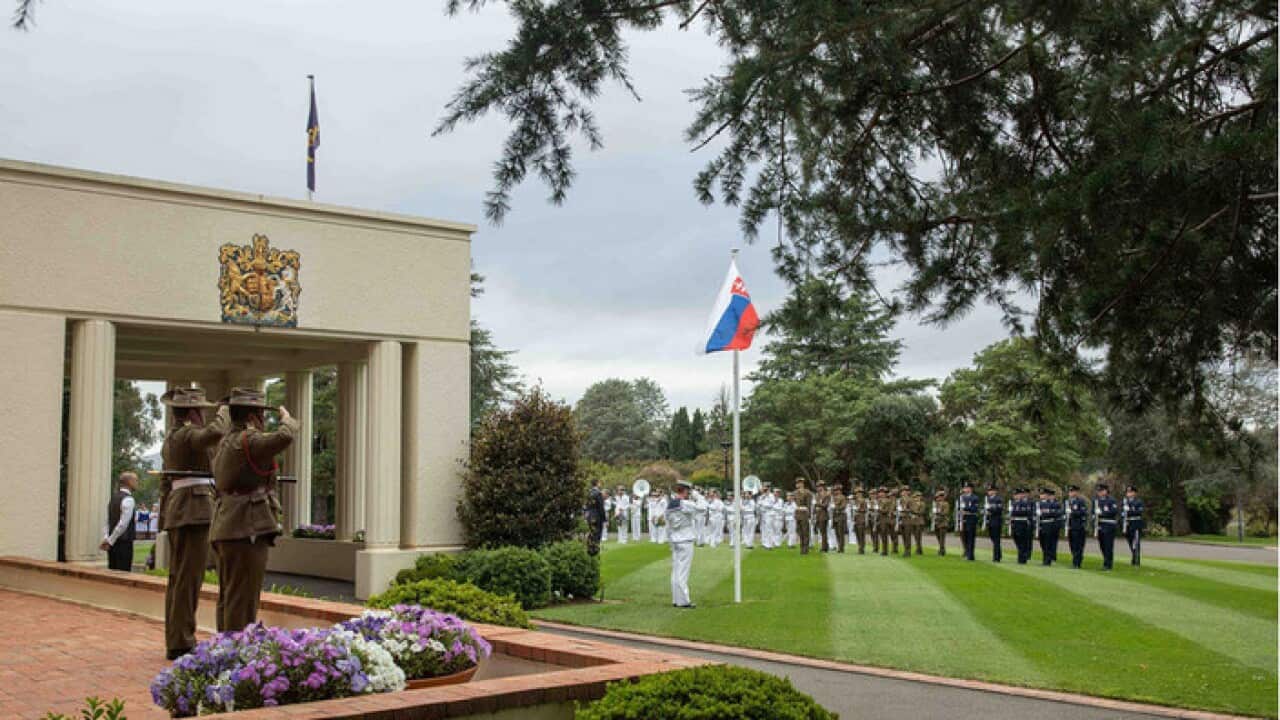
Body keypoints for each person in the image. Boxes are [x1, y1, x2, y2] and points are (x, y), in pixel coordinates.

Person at [210, 387, 297, 633]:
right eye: (260, 414)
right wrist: (287, 419)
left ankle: (223, 650)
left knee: (230, 596)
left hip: (228, 524)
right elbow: (284, 437)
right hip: (246, 527)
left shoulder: (227, 441)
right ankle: (237, 657)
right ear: (252, 416)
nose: (262, 420)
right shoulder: (249, 439)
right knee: (244, 598)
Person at [159, 387, 227, 660]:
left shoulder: (173, 437)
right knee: (188, 578)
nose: (203, 414)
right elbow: (214, 433)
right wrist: (224, 412)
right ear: (190, 413)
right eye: (200, 410)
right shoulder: (187, 434)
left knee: (179, 579)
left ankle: (177, 636)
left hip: (182, 508)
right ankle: (181, 641)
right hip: (193, 508)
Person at [665, 480, 698, 609]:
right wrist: (697, 496)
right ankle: (683, 600)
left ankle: (676, 599)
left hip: (675, 539)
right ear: (685, 491)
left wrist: (670, 540)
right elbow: (702, 507)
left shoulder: (669, 505)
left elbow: (668, 526)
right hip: (685, 539)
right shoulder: (685, 504)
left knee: (676, 570)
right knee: (683, 571)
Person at [100, 471, 138, 572]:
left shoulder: (113, 498)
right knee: (123, 573)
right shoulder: (128, 499)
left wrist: (107, 538)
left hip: (112, 543)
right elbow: (123, 524)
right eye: (136, 480)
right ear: (129, 482)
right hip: (123, 543)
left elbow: (108, 521)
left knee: (112, 571)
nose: (137, 483)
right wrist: (110, 540)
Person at [1094, 483, 1119, 570]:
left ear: (1106, 491)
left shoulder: (1111, 500)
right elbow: (1093, 513)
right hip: (1100, 525)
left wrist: (1102, 513)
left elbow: (1114, 512)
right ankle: (1106, 561)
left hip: (1109, 525)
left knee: (1108, 545)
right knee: (1102, 545)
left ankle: (1108, 564)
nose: (1099, 493)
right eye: (1098, 491)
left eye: (1101, 491)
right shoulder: (1097, 501)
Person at [1065, 484, 1089, 569]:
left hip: (1078, 526)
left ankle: (1077, 563)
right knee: (1072, 545)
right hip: (1070, 526)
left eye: (1072, 491)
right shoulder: (1068, 502)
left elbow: (1083, 513)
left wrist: (1072, 512)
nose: (1070, 493)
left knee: (1078, 545)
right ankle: (1075, 560)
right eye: (1070, 491)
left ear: (1076, 492)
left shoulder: (1080, 501)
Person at [1036, 487, 1062, 565]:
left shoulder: (1052, 503)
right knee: (1042, 542)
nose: (1042, 496)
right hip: (1041, 524)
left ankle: (1047, 560)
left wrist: (1045, 513)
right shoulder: (1039, 504)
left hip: (1049, 524)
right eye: (1041, 494)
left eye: (1043, 494)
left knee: (1047, 542)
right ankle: (1047, 557)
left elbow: (1055, 513)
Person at [1009, 487, 1034, 564]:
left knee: (1022, 540)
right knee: (1016, 539)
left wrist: (1014, 512)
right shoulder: (1013, 503)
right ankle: (1022, 554)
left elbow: (1026, 513)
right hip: (1015, 522)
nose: (1017, 496)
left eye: (1019, 494)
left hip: (1022, 522)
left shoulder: (1025, 503)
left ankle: (1022, 558)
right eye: (1016, 494)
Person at [1123, 485, 1145, 566]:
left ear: (1134, 493)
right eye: (1127, 492)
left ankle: (1136, 560)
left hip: (1136, 523)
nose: (1128, 493)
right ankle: (1134, 556)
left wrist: (1130, 510)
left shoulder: (1138, 502)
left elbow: (1139, 512)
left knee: (1135, 542)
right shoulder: (1125, 502)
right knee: (1130, 542)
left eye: (1130, 492)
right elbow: (1122, 513)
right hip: (1128, 524)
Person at [957, 482, 980, 561]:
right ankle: (966, 552)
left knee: (971, 537)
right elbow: (959, 508)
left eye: (966, 488)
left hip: (971, 518)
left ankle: (971, 555)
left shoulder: (974, 498)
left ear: (970, 489)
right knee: (965, 537)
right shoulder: (962, 497)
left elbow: (975, 509)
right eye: (964, 488)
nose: (965, 489)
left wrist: (966, 509)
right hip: (963, 519)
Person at [792, 479, 813, 555]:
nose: (797, 484)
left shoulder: (807, 493)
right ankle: (802, 548)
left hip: (804, 514)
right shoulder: (794, 493)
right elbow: (793, 504)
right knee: (800, 532)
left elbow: (809, 505)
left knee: (805, 532)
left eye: (798, 483)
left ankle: (805, 549)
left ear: (802, 484)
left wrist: (809, 515)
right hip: (798, 514)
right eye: (797, 483)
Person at [984, 484, 1004, 562]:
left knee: (996, 539)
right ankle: (999, 553)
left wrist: (990, 509)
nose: (990, 492)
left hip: (996, 520)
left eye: (991, 490)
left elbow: (999, 509)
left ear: (995, 491)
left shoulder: (998, 499)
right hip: (990, 520)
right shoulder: (988, 499)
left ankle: (996, 557)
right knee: (992, 537)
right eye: (989, 491)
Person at [586, 478, 606, 556]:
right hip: (597, 516)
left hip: (590, 516)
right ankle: (595, 551)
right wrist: (604, 519)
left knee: (591, 533)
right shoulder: (598, 493)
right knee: (597, 534)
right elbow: (601, 507)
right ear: (597, 483)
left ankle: (589, 549)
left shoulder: (589, 492)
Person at [830, 485, 848, 553]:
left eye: (837, 490)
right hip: (835, 516)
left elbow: (843, 506)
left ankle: (841, 548)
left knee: (841, 533)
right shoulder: (834, 498)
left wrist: (835, 507)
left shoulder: (843, 497)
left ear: (840, 490)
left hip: (841, 516)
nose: (835, 491)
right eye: (835, 490)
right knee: (837, 533)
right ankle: (839, 546)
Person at [813, 483, 831, 552]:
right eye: (817, 487)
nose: (818, 488)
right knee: (821, 532)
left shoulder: (827, 495)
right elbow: (815, 506)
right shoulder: (817, 495)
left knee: (823, 532)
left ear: (822, 487)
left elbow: (825, 505)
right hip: (818, 515)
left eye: (819, 486)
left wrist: (817, 504)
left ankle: (824, 547)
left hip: (824, 515)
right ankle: (825, 546)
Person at [931, 489, 949, 556]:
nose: (938, 498)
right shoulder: (935, 504)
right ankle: (942, 548)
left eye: (940, 497)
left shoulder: (945, 504)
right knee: (938, 537)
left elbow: (945, 512)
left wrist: (938, 513)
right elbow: (933, 513)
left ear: (943, 497)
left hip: (943, 522)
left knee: (942, 538)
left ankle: (942, 550)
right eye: (937, 497)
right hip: (936, 522)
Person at [851, 487, 869, 554]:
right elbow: (852, 510)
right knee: (857, 534)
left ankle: (861, 548)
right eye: (857, 493)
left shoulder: (864, 501)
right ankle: (859, 546)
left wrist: (858, 510)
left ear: (861, 494)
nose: (858, 494)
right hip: (856, 519)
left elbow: (866, 510)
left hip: (861, 518)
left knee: (861, 534)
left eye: (859, 493)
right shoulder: (854, 501)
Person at [910, 489, 926, 555]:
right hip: (913, 521)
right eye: (915, 497)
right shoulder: (912, 503)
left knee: (918, 536)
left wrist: (914, 512)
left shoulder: (922, 504)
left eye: (918, 496)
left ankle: (919, 549)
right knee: (915, 536)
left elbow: (921, 512)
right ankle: (918, 549)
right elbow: (910, 510)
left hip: (920, 521)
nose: (917, 498)